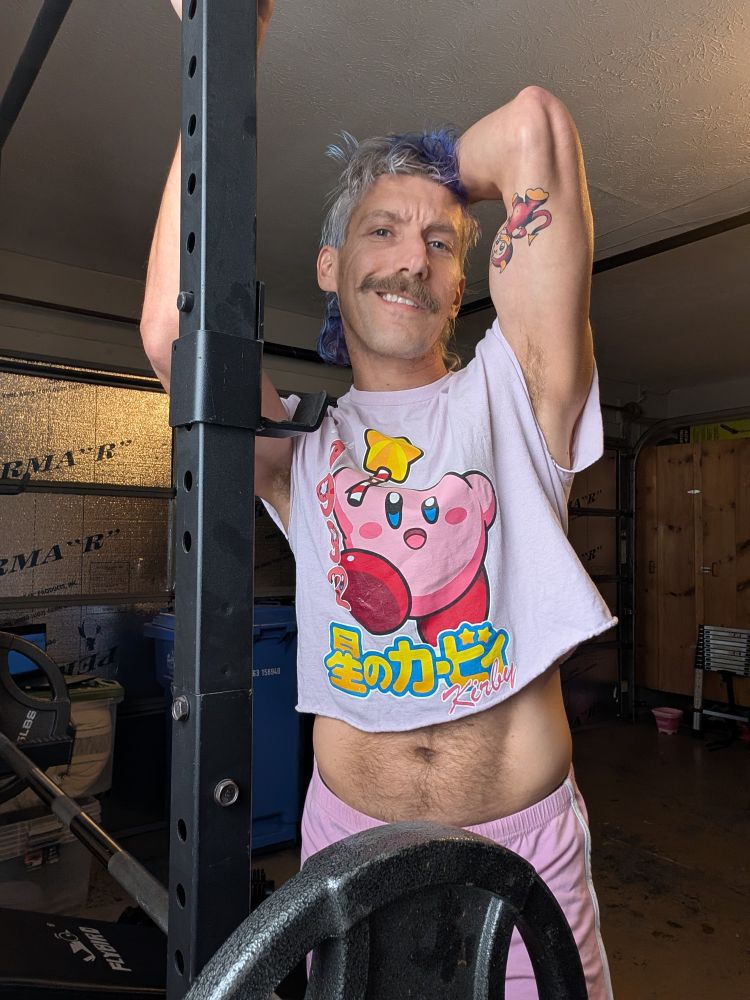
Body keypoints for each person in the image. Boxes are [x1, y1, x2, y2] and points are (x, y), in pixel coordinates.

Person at [141, 3, 616, 997]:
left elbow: (533, 125)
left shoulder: (518, 392)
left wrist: (423, 172)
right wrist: (228, 33)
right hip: (350, 865)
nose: (410, 258)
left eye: (440, 243)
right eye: (382, 231)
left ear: (462, 287)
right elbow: (170, 337)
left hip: (521, 869)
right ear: (331, 267)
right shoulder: (303, 447)